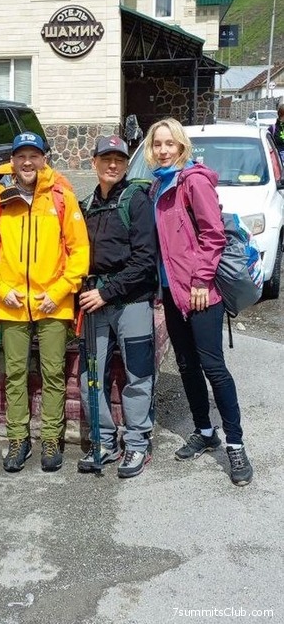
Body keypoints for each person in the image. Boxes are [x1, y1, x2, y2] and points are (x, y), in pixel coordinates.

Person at [144, 118, 253, 486]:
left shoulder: (193, 181)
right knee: (187, 365)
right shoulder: (158, 184)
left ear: (181, 146)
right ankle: (205, 431)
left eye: (169, 143)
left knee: (213, 366)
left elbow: (213, 234)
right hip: (171, 291)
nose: (163, 150)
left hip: (200, 291)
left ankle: (235, 444)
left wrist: (202, 279)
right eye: (157, 143)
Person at [0, 132, 89, 473]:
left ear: (44, 159)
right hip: (11, 302)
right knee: (15, 375)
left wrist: (58, 292)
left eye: (34, 155)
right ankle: (18, 439)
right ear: (12, 160)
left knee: (53, 373)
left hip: (53, 302)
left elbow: (79, 251)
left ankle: (51, 438)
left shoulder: (62, 197)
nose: (27, 162)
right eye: (21, 156)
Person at [78, 135, 158, 478]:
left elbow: (145, 260)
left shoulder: (136, 201)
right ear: (94, 162)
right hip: (95, 302)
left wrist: (107, 292)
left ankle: (137, 443)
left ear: (126, 164)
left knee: (137, 374)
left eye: (119, 160)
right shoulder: (85, 206)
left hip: (132, 301)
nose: (112, 165)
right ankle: (104, 442)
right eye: (106, 159)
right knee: (90, 377)